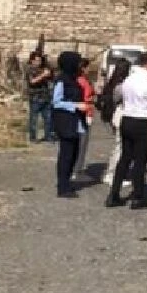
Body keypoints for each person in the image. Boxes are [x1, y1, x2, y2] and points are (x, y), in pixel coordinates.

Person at [107, 52, 147, 209]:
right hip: (141, 122)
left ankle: (114, 193)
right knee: (140, 160)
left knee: (125, 158)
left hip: (127, 119)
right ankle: (138, 196)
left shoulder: (128, 80)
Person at [49, 51, 89, 198]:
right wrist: (75, 105)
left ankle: (67, 181)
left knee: (74, 154)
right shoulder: (62, 80)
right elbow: (56, 102)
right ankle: (62, 186)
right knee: (66, 155)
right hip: (66, 122)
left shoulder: (74, 79)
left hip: (76, 121)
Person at [99, 58, 130, 189]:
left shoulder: (113, 83)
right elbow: (118, 101)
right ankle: (111, 174)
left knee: (120, 147)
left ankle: (115, 173)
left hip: (116, 117)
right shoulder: (120, 86)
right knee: (119, 148)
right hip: (119, 117)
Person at [72, 58, 95, 181]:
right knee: (82, 143)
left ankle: (76, 168)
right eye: (87, 67)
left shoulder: (83, 80)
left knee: (81, 142)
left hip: (86, 111)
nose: (89, 70)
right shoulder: (81, 81)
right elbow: (85, 97)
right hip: (85, 112)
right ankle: (77, 170)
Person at [25, 51, 54, 143]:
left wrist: (49, 73)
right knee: (34, 119)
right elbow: (32, 82)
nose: (38, 62)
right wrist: (42, 75)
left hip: (45, 96)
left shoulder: (43, 69)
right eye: (36, 60)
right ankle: (33, 137)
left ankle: (48, 135)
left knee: (48, 118)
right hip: (35, 97)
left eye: (40, 61)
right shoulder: (29, 69)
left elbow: (51, 78)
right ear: (32, 61)